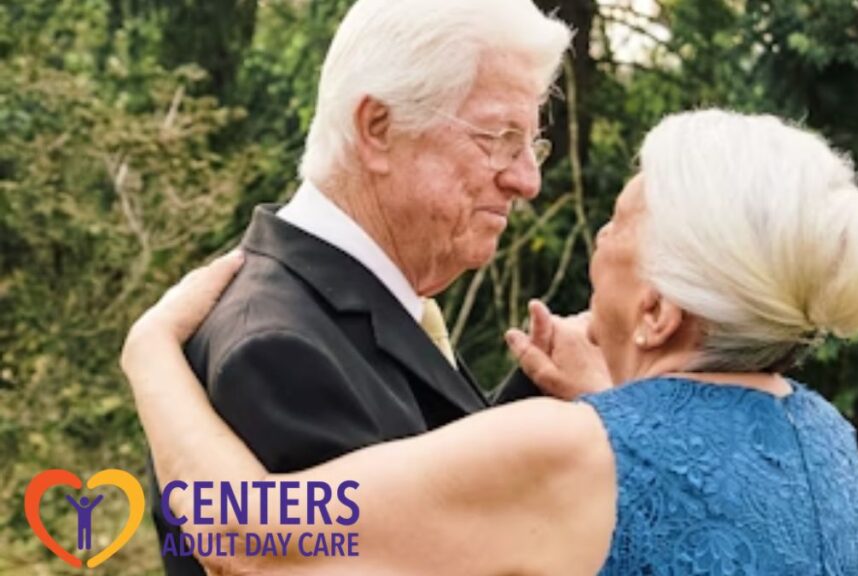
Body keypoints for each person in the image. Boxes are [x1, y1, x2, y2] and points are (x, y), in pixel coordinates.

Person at [123, 109, 858, 574]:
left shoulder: (569, 452)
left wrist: (152, 350)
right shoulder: (824, 439)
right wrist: (618, 405)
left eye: (616, 226)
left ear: (658, 312)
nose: (598, 240)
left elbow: (250, 536)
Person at [149, 0, 574, 573]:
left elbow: (422, 505)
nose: (527, 180)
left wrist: (545, 400)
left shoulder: (358, 303)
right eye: (499, 138)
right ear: (378, 128)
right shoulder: (279, 352)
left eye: (531, 145)